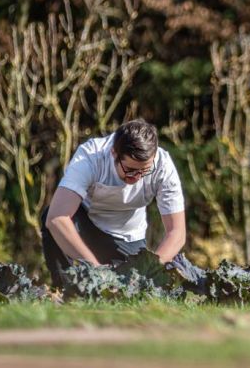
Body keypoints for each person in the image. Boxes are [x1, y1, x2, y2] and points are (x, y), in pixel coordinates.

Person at [41, 119, 186, 288]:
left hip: (127, 238)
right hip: (86, 227)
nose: (137, 177)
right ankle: (64, 289)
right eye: (130, 170)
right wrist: (95, 270)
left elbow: (177, 232)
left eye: (144, 171)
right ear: (114, 153)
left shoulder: (163, 166)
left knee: (128, 291)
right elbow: (57, 218)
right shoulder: (90, 156)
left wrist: (149, 270)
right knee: (51, 214)